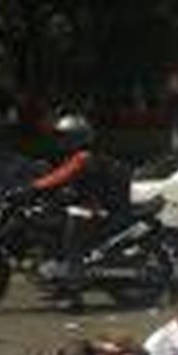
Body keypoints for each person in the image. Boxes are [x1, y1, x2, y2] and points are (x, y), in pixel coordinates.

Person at [31, 114, 132, 298]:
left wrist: (34, 187)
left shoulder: (84, 157)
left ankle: (74, 285)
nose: (60, 141)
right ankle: (61, 277)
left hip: (97, 208)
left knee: (72, 233)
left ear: (77, 137)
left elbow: (62, 176)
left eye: (64, 136)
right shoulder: (70, 156)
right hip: (85, 205)